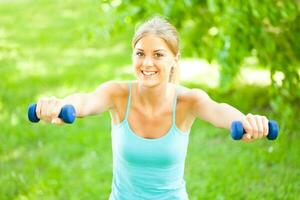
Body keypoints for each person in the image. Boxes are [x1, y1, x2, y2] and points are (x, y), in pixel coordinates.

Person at [35, 16, 270, 200]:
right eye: (140, 54)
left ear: (175, 59)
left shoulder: (188, 101)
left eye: (158, 55)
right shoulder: (117, 94)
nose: (147, 63)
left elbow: (220, 111)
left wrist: (247, 123)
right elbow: (85, 101)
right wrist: (61, 105)